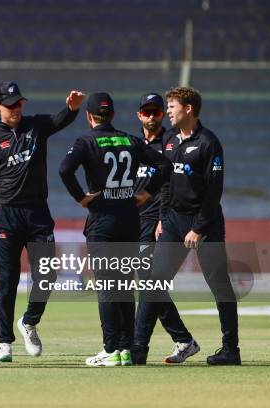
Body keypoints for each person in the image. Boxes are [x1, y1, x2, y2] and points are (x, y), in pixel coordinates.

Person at [59, 92, 170, 367]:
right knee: (123, 287)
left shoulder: (86, 141)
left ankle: (110, 349)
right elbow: (163, 164)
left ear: (88, 116)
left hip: (103, 222)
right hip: (131, 220)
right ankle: (125, 349)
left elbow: (64, 170)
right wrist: (146, 193)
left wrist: (81, 198)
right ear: (113, 115)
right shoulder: (131, 140)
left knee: (108, 287)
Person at [0, 81, 85, 362]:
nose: (16, 108)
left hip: (38, 214)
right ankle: (4, 342)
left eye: (19, 103)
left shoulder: (36, 126)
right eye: (10, 104)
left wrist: (71, 108)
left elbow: (60, 120)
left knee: (47, 275)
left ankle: (29, 321)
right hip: (7, 217)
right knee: (7, 281)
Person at [136, 86, 240, 365]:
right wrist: (161, 218)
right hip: (172, 221)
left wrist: (199, 228)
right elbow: (167, 183)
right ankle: (138, 349)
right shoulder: (169, 141)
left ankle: (231, 350)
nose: (167, 112)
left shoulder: (209, 142)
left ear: (188, 109)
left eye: (171, 107)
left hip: (204, 224)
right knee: (153, 282)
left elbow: (214, 191)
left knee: (219, 285)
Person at [131, 93, 197, 365]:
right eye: (146, 112)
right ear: (139, 115)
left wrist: (163, 217)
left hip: (158, 224)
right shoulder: (133, 145)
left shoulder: (170, 143)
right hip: (134, 223)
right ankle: (183, 340)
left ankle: (139, 346)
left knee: (150, 285)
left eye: (157, 112)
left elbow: (172, 184)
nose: (152, 116)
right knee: (149, 287)